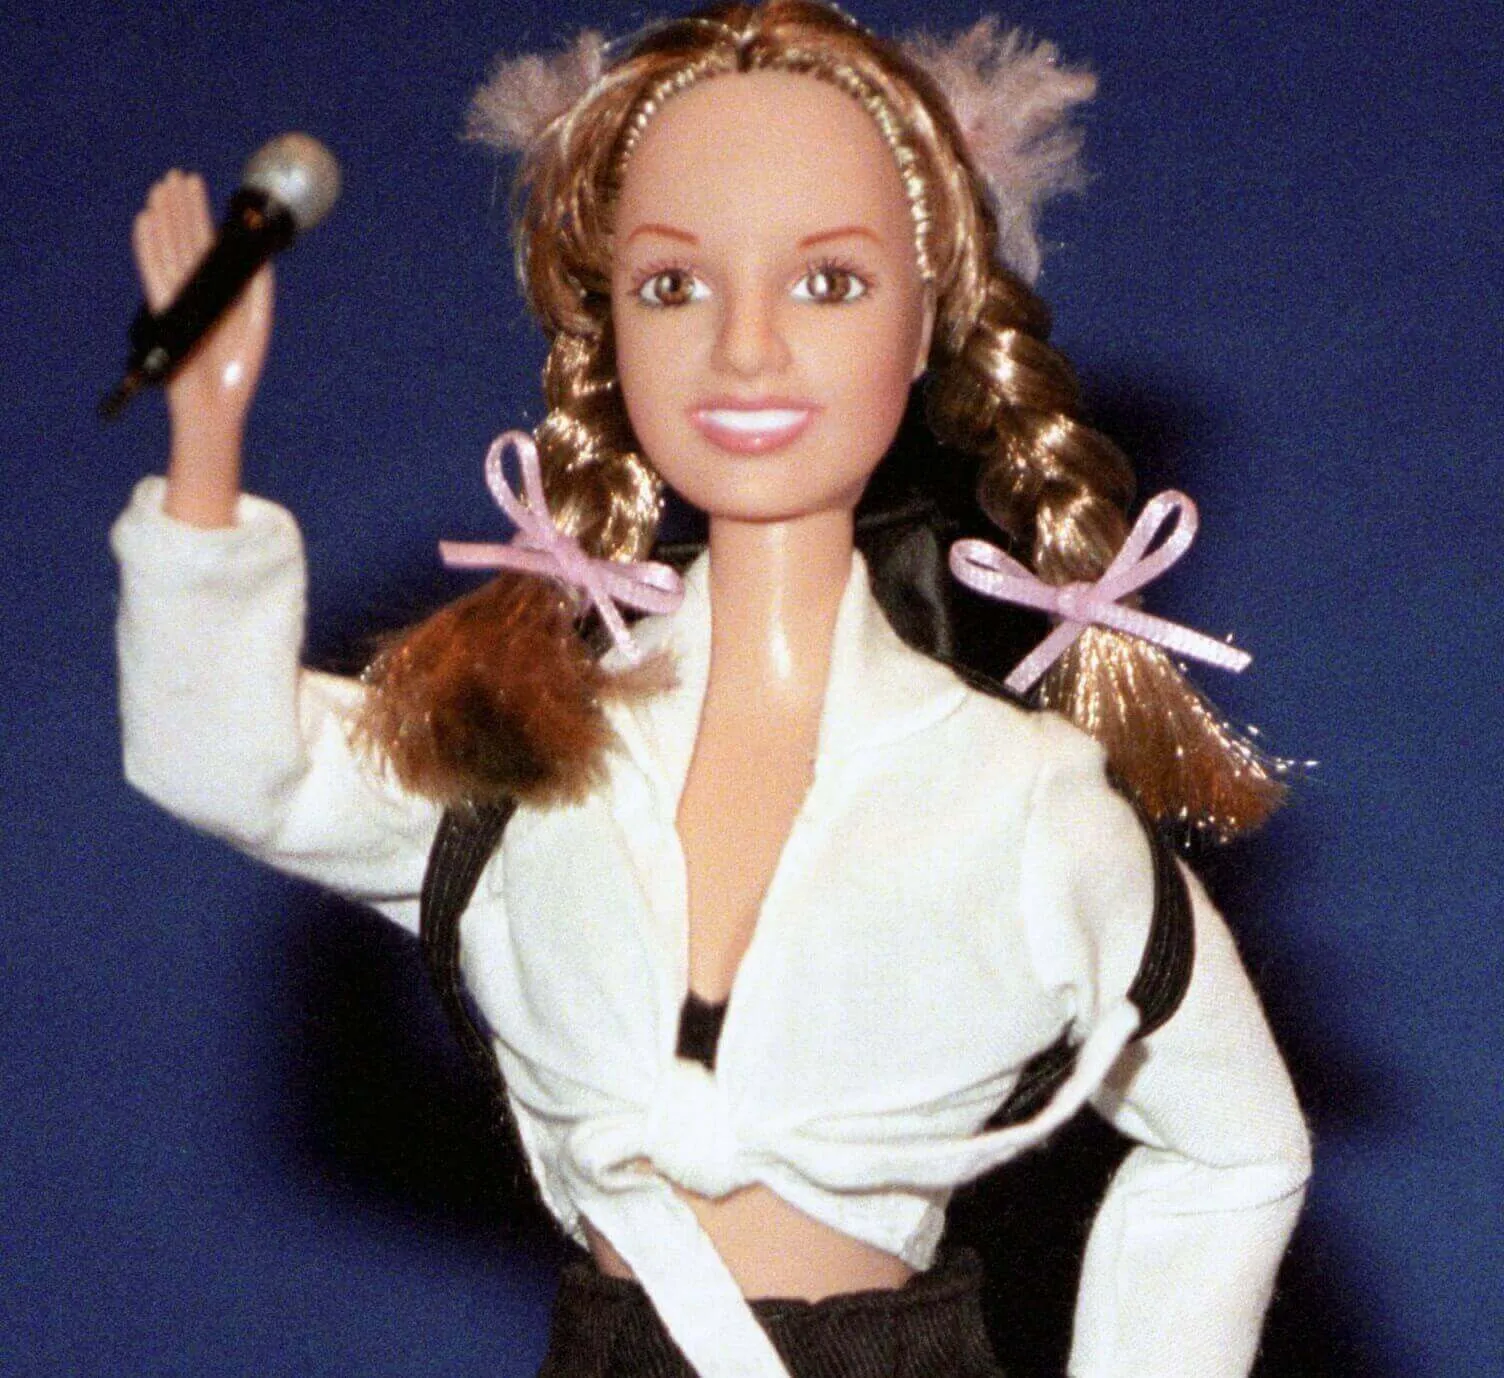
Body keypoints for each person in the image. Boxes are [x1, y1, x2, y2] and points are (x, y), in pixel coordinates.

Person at [111, 4, 1310, 1376]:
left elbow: (1237, 1148)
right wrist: (204, 459)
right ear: (606, 320)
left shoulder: (1017, 801)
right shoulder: (524, 760)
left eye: (828, 283)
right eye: (674, 285)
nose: (745, 348)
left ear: (926, 317)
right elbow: (232, 758)